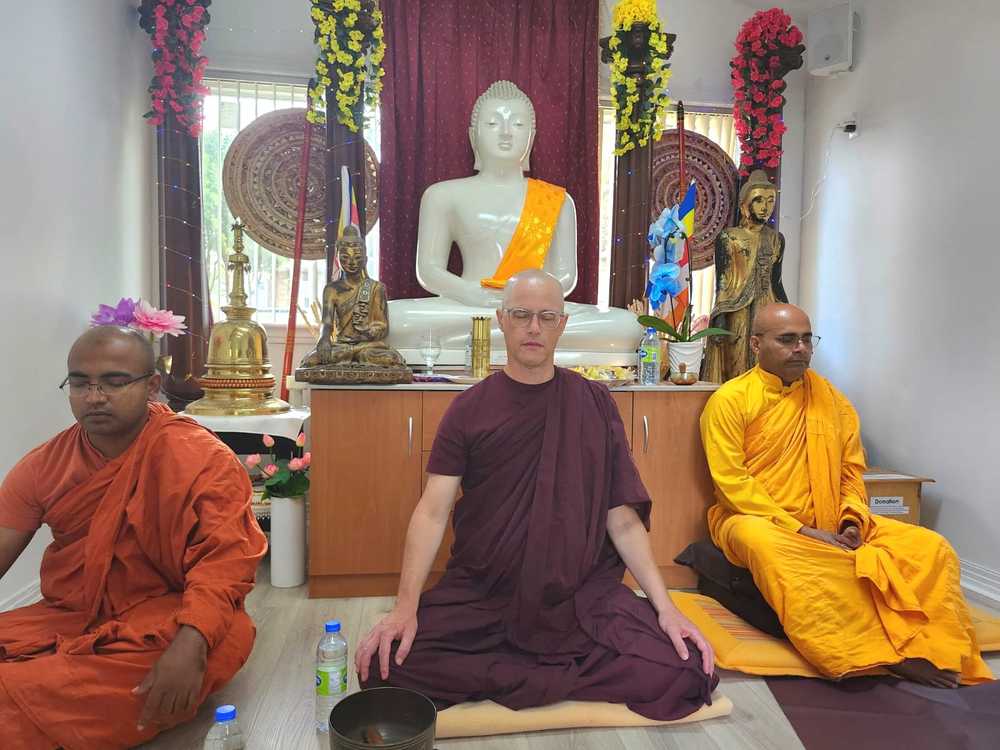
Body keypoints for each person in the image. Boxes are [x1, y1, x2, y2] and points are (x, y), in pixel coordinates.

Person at [356, 269, 718, 720]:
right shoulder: (468, 409)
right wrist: (403, 610)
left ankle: (512, 674)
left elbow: (622, 519)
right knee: (382, 670)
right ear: (501, 320)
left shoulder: (593, 403)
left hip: (578, 596)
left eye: (547, 317)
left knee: (686, 671)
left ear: (562, 324)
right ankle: (554, 675)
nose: (533, 328)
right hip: (486, 593)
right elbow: (432, 512)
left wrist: (667, 610)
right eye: (522, 315)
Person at [0, 326, 268, 749]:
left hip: (171, 617)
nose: (94, 396)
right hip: (73, 612)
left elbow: (226, 563)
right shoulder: (43, 466)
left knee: (227, 636)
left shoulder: (201, 458)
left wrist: (190, 643)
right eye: (80, 383)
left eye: (114, 381)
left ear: (152, 386)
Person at [699, 304, 992, 687]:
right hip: (755, 519)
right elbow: (732, 483)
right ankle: (871, 654)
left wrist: (851, 519)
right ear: (756, 344)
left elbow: (851, 470)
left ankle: (928, 646)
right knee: (768, 546)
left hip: (831, 519)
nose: (800, 348)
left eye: (807, 339)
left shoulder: (832, 401)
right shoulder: (730, 400)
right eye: (787, 340)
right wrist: (801, 531)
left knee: (928, 546)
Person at [386, 80, 639, 364]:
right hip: (469, 307)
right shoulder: (442, 195)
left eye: (518, 125)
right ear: (474, 136)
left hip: (535, 315)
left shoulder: (557, 200)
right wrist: (470, 293)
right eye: (493, 124)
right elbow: (428, 270)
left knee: (627, 325)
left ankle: (518, 326)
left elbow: (565, 278)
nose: (506, 133)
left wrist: (526, 302)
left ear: (531, 137)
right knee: (393, 319)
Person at [701, 170, 788, 384]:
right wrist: (720, 315)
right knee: (736, 364)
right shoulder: (729, 237)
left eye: (770, 201)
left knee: (767, 363)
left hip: (767, 308)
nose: (765, 207)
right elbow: (723, 280)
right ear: (745, 203)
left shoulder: (776, 239)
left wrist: (788, 313)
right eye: (759, 201)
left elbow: (776, 282)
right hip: (735, 309)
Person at [299, 224, 406, 369]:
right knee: (311, 361)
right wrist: (323, 339)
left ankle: (355, 354)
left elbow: (382, 326)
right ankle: (353, 354)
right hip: (342, 345)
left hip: (368, 346)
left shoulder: (376, 288)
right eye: (345, 257)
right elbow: (327, 323)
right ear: (337, 259)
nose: (351, 262)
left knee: (390, 359)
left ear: (366, 259)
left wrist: (369, 332)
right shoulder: (331, 289)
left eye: (357, 257)